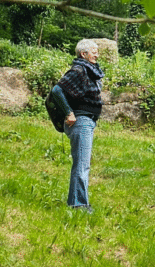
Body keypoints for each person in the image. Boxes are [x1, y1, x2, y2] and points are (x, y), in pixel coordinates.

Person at [47, 39, 104, 212]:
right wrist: (68, 113)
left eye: (97, 51)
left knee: (82, 163)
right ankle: (78, 204)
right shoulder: (79, 70)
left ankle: (78, 202)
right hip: (81, 121)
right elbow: (57, 91)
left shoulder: (89, 71)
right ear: (83, 54)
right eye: (93, 51)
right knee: (81, 164)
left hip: (87, 121)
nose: (97, 53)